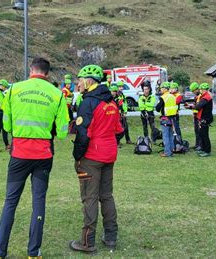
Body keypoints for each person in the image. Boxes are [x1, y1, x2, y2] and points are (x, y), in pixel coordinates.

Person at [0, 58, 69, 259]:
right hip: (43, 155)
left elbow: (6, 125)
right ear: (47, 74)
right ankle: (33, 252)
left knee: (10, 201)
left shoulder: (14, 89)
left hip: (20, 154)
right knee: (38, 202)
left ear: (31, 70)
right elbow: (64, 132)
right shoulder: (57, 95)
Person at [70, 64, 124, 254]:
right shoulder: (111, 101)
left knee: (90, 197)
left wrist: (77, 156)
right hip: (109, 155)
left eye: (80, 79)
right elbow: (119, 130)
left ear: (89, 81)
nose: (78, 83)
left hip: (92, 156)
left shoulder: (88, 102)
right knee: (106, 195)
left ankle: (87, 242)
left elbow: (83, 134)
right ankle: (111, 236)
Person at [155, 82, 178, 157]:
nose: (161, 89)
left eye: (161, 88)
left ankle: (167, 152)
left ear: (165, 89)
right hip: (172, 118)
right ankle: (171, 150)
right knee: (170, 135)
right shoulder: (172, 96)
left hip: (165, 118)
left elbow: (157, 109)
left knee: (165, 136)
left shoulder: (163, 97)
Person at [195, 83, 213, 157]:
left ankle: (207, 151)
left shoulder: (206, 97)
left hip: (205, 118)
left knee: (205, 135)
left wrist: (195, 106)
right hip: (203, 118)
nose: (200, 91)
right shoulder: (204, 96)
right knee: (202, 134)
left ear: (205, 90)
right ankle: (203, 149)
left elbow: (198, 106)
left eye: (201, 89)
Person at [184, 82, 202, 151]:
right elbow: (195, 106)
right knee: (196, 131)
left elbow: (198, 107)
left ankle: (200, 145)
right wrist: (189, 107)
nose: (193, 92)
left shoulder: (201, 96)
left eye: (194, 91)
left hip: (199, 116)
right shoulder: (196, 97)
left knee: (199, 131)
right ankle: (197, 144)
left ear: (197, 89)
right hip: (195, 115)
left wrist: (190, 107)